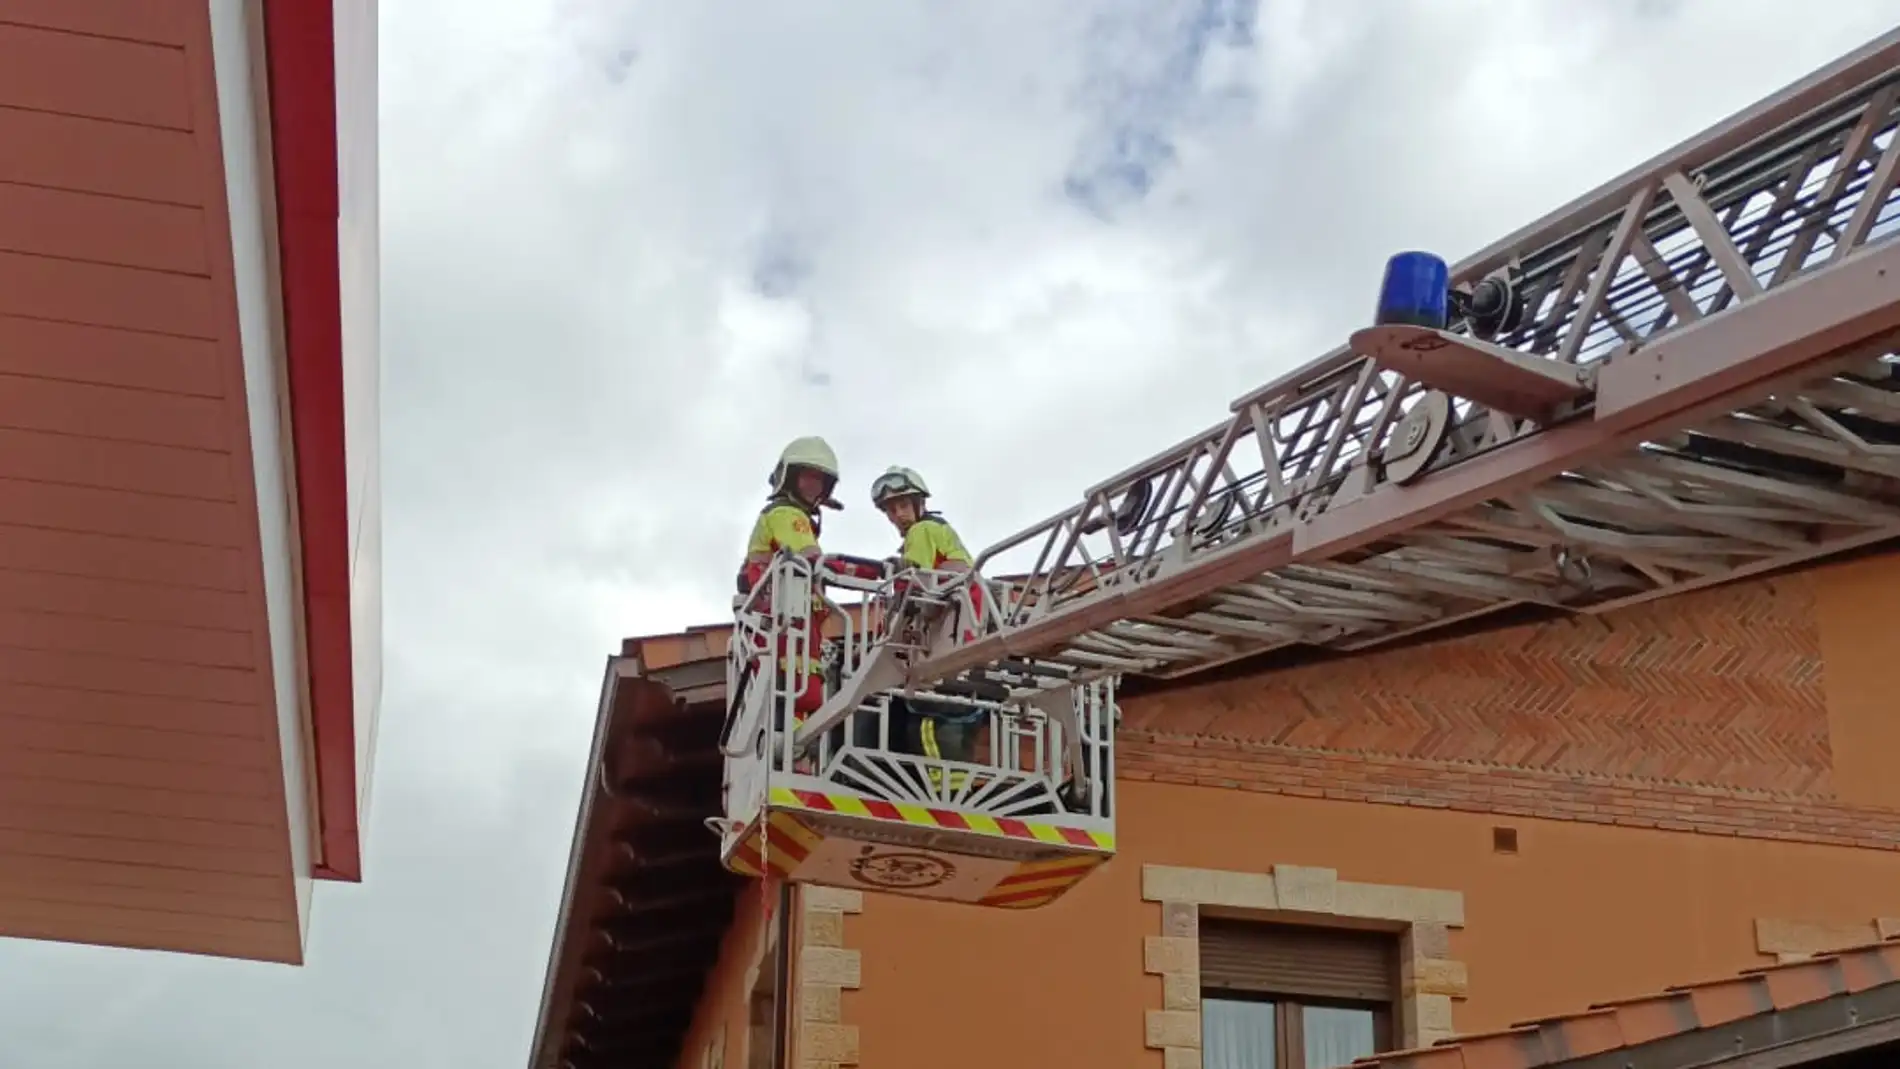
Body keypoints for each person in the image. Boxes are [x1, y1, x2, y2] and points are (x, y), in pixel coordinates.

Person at [869, 466, 985, 785]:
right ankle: (952, 791)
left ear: (919, 503)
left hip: (946, 638)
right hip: (961, 636)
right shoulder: (941, 532)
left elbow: (914, 590)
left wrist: (888, 631)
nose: (898, 515)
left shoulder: (921, 532)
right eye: (891, 510)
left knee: (925, 720)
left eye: (903, 505)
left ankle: (941, 792)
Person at [738, 436, 845, 722]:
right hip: (783, 626)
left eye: (820, 480)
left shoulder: (792, 516)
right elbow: (812, 559)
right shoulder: (786, 513)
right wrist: (865, 571)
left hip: (794, 629)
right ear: (790, 478)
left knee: (800, 702)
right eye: (808, 477)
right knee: (793, 697)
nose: (814, 486)